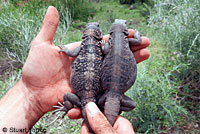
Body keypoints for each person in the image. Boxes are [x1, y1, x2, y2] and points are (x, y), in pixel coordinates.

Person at [0, 6, 150, 134]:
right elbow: (106, 51)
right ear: (99, 35)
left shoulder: (85, 47)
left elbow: (74, 53)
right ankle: (73, 107)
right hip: (94, 96)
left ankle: (69, 107)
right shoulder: (100, 49)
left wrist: (65, 50)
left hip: (86, 95)